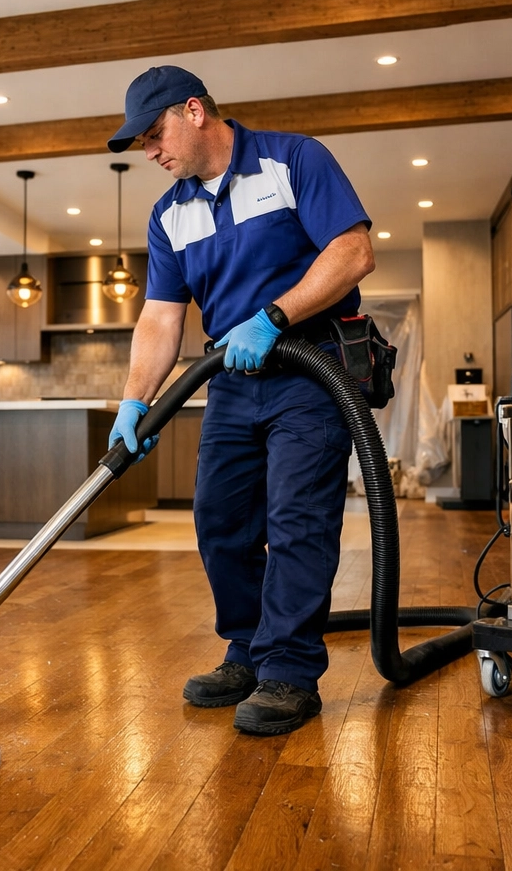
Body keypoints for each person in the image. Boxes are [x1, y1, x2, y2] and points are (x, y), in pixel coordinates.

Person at [107, 65, 375, 735]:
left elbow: (352, 252)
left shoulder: (293, 160)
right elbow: (161, 318)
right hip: (231, 378)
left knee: (296, 521)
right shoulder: (171, 212)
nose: (150, 152)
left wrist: (274, 318)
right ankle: (248, 648)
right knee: (219, 520)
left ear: (193, 110)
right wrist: (135, 399)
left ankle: (287, 671)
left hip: (311, 369)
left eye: (154, 133)